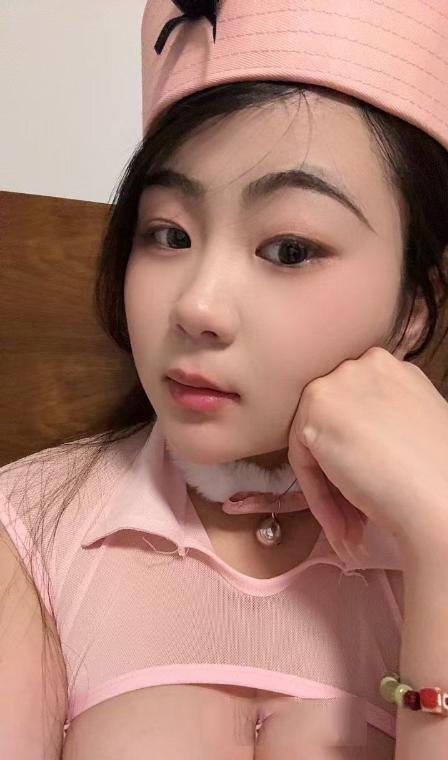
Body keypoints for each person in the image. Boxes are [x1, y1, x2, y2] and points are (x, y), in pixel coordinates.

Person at [1, 1, 447, 757]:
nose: (197, 306)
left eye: (289, 249)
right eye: (168, 234)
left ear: (412, 305)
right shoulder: (29, 529)